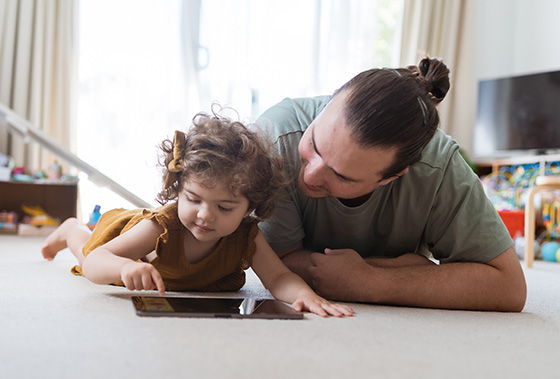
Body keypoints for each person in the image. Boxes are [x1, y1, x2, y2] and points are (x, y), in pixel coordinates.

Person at [256, 57, 527, 312]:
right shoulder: (276, 136)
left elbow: (509, 287)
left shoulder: (437, 167)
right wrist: (408, 269)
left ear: (392, 176)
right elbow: (277, 261)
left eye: (342, 176)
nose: (310, 176)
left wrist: (371, 282)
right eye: (314, 143)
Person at [41, 111, 354, 318]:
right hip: (122, 235)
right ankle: (71, 229)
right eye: (193, 199)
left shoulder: (248, 235)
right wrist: (122, 267)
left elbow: (278, 277)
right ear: (179, 191)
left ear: (251, 207)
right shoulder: (161, 227)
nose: (205, 215)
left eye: (225, 207)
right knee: (84, 256)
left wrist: (305, 296)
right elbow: (98, 260)